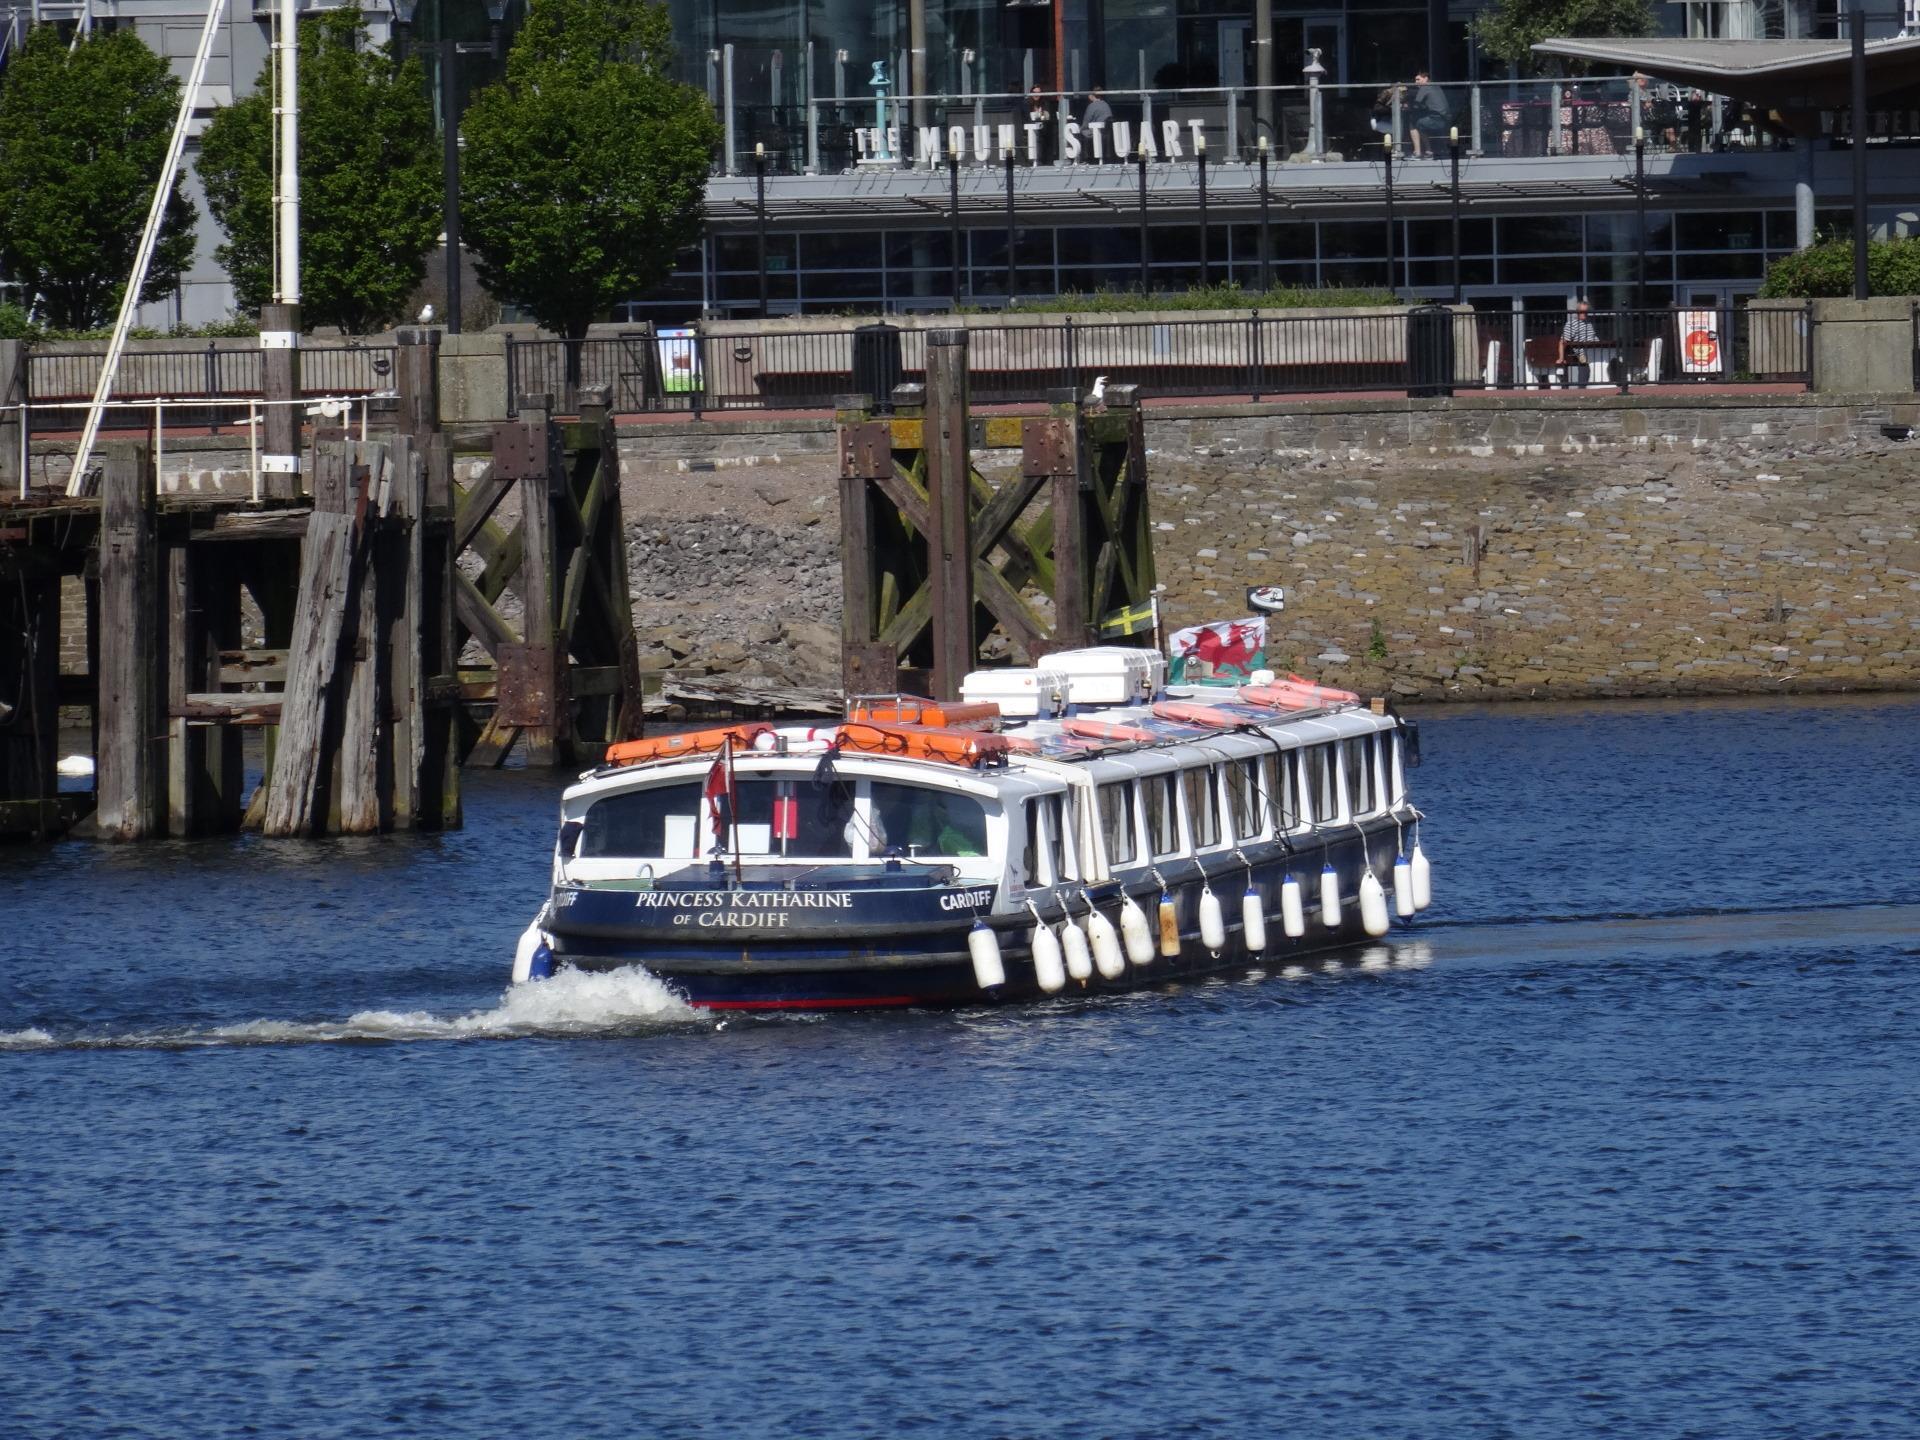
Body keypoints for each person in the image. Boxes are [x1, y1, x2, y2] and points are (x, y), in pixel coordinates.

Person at [1406, 71, 1451, 157]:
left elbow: (1416, 105)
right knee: (1420, 124)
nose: (1416, 82)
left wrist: (1406, 106)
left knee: (1413, 122)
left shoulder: (1424, 87)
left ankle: (1417, 152)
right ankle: (1429, 150)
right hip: (1445, 119)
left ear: (1426, 78)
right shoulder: (1435, 86)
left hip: (1436, 120)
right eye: (1415, 80)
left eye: (1418, 79)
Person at [1562, 299, 1602, 386]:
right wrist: (1561, 358)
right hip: (1581, 352)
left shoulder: (1589, 323)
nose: (1584, 313)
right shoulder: (1571, 324)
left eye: (1586, 311)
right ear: (1577, 311)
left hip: (1595, 350)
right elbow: (1563, 341)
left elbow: (1593, 336)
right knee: (1585, 365)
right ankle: (1582, 388)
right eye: (1582, 311)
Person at [1081, 87, 1112, 161]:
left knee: (1079, 132)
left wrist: (1080, 128)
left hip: (1097, 132)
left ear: (1092, 96)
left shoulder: (1092, 106)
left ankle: (1084, 157)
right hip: (1106, 131)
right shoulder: (1106, 105)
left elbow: (1086, 122)